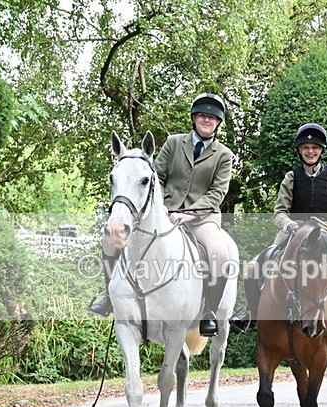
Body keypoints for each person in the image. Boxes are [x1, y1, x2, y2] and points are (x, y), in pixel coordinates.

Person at [90, 92, 234, 337]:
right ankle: (109, 297)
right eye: (202, 115)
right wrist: (163, 208)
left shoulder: (224, 155)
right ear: (194, 118)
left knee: (218, 251)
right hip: (165, 212)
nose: (206, 120)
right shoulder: (174, 143)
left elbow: (217, 192)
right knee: (111, 238)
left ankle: (208, 312)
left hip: (203, 219)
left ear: (218, 123)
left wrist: (190, 214)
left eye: (211, 117)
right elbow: (155, 178)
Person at [229, 123, 327, 332]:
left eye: (315, 147)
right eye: (306, 147)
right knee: (252, 267)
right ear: (299, 151)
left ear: (321, 151)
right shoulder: (291, 178)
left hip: (326, 234)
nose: (310, 151)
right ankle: (250, 312)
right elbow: (279, 212)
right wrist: (289, 225)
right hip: (295, 232)